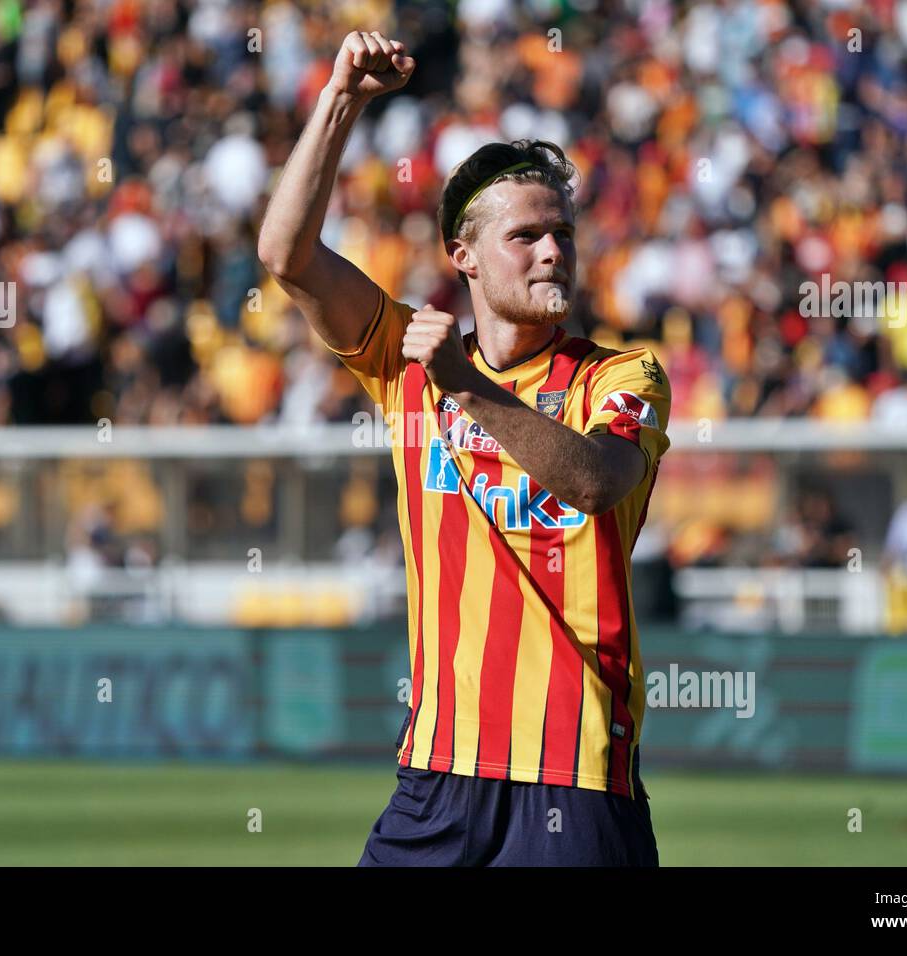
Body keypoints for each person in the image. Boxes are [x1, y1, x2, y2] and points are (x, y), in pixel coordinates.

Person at [259, 31, 671, 866]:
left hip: (574, 777)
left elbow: (595, 482)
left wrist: (468, 389)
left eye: (562, 232)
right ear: (465, 258)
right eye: (526, 236)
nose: (554, 248)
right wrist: (342, 99)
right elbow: (285, 256)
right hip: (436, 776)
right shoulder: (404, 361)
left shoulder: (621, 374)